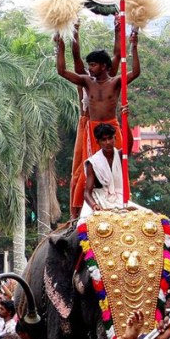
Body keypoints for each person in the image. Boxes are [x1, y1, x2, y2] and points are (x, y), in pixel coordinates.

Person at [57, 23, 139, 217]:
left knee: (120, 163)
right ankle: (87, 208)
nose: (89, 68)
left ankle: (119, 201)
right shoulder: (86, 81)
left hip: (112, 127)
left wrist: (133, 46)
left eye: (92, 65)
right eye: (89, 65)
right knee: (90, 169)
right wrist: (60, 44)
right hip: (93, 131)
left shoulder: (116, 81)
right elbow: (62, 71)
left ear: (103, 66)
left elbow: (134, 71)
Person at [80, 123, 142, 221]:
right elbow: (87, 193)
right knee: (84, 224)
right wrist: (94, 205)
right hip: (98, 200)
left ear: (115, 138)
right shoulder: (92, 163)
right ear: (98, 141)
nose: (108, 142)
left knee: (148, 217)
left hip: (119, 200)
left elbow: (129, 143)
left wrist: (126, 123)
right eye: (103, 140)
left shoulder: (121, 155)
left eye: (110, 138)